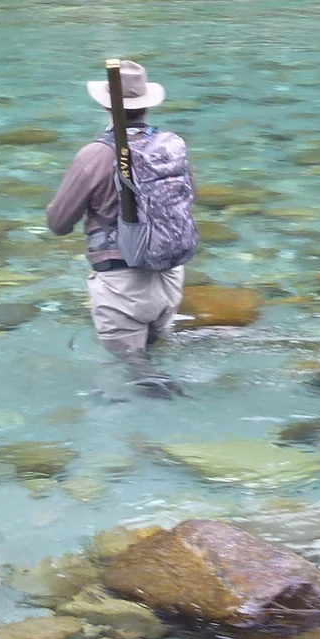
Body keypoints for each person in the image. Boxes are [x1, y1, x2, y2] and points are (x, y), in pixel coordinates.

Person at [44, 58, 197, 394]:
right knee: (157, 352)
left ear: (105, 103)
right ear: (146, 105)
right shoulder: (168, 146)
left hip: (121, 283)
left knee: (136, 369)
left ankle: (160, 434)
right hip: (170, 274)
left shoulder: (95, 155)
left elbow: (58, 224)